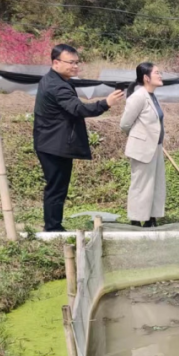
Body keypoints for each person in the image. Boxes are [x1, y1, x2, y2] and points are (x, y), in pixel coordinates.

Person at [32, 44, 124, 231]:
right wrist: (106, 103)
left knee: (57, 186)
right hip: (53, 144)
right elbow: (78, 108)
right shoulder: (57, 85)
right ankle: (52, 228)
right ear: (56, 63)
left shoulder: (54, 80)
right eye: (71, 62)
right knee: (56, 187)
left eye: (77, 62)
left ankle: (53, 225)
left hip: (50, 140)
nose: (75, 66)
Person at [119, 62, 167, 227]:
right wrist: (140, 138)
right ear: (146, 78)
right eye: (157, 73)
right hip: (142, 148)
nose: (160, 76)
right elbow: (125, 124)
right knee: (141, 186)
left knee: (155, 184)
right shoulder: (138, 97)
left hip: (156, 148)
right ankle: (136, 219)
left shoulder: (152, 96)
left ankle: (150, 218)